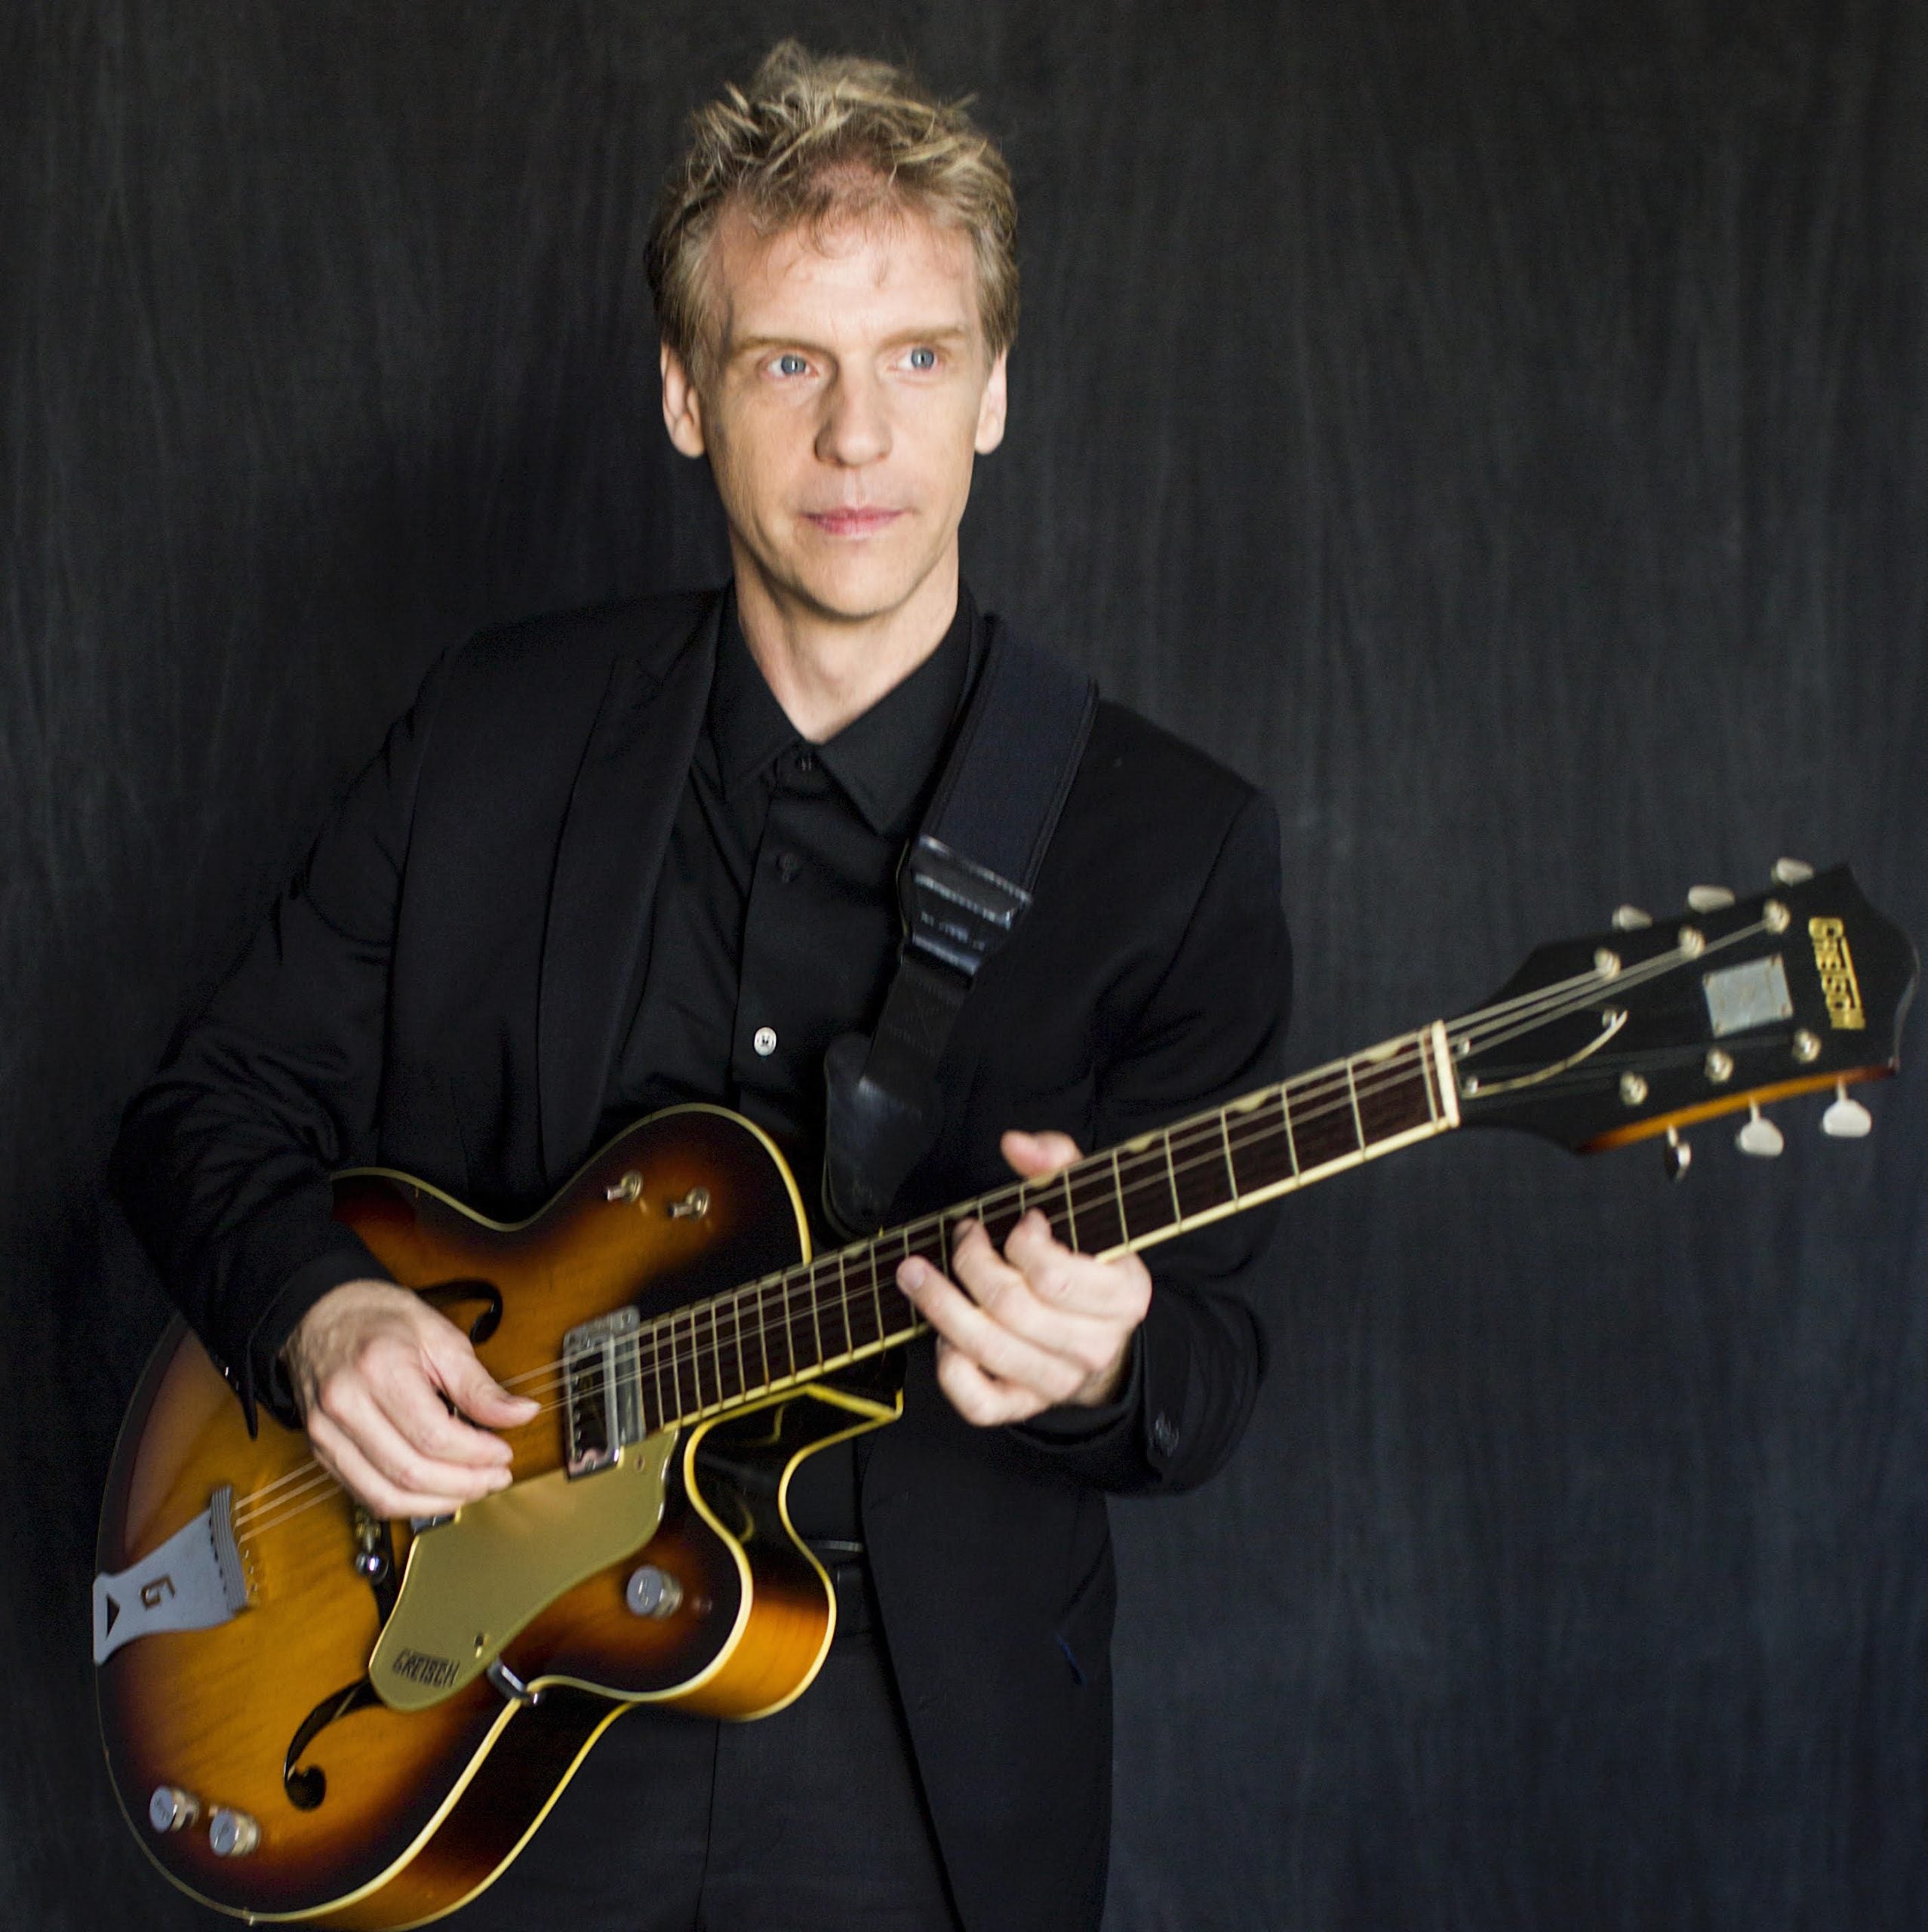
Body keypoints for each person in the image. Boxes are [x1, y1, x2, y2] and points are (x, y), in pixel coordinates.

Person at [112, 41, 1290, 1932]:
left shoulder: (1173, 844)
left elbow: (1208, 1368)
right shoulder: (496, 733)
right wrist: (320, 1315)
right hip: (464, 1707)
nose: (858, 439)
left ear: (995, 389)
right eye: (787, 364)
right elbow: (203, 1107)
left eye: (918, 358)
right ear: (685, 394)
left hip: (914, 1749)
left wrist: (1104, 1356)